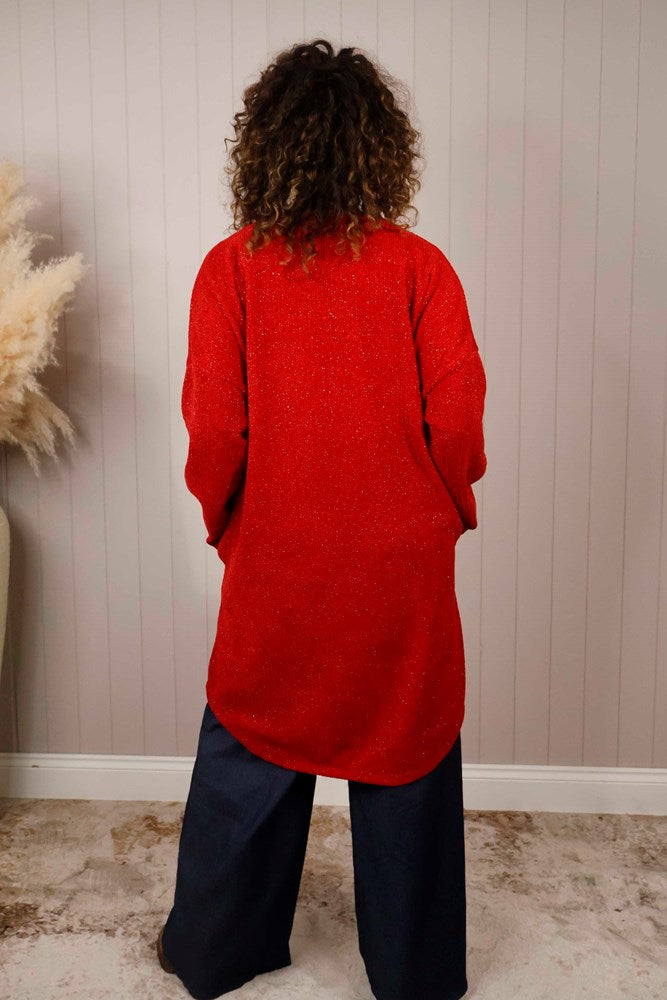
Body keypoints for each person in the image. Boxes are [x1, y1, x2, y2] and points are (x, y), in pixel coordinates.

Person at [157, 37, 487, 1000]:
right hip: (399, 561)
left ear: (262, 144)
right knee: (405, 744)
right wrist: (441, 510)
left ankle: (216, 949)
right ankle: (416, 973)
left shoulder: (231, 269)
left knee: (252, 734)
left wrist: (231, 522)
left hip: (279, 553)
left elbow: (214, 426)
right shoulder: (421, 267)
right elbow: (457, 417)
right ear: (378, 148)